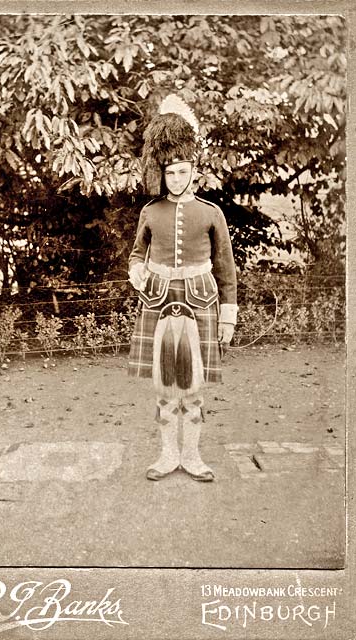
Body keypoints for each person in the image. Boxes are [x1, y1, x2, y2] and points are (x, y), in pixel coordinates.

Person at [128, 95, 237, 482]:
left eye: (183, 171)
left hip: (201, 299)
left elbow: (225, 266)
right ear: (163, 172)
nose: (176, 178)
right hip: (158, 300)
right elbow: (136, 253)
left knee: (193, 390)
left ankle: (192, 456)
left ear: (194, 170)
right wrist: (137, 270)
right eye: (170, 172)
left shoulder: (211, 213)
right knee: (163, 389)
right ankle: (167, 455)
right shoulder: (150, 211)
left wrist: (228, 316)